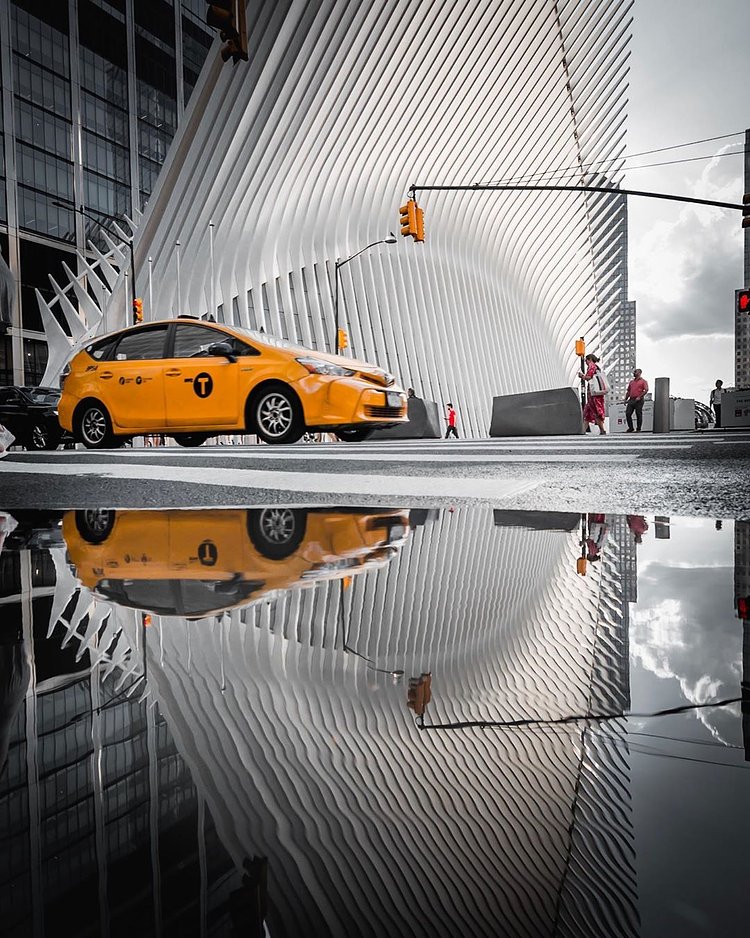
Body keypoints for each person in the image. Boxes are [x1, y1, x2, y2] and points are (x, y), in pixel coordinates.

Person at [579, 353, 607, 435]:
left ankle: (602, 430)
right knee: (587, 412)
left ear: (590, 359)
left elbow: (589, 377)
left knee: (596, 411)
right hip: (594, 393)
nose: (585, 362)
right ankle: (583, 431)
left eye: (586, 360)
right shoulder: (596, 367)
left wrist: (582, 376)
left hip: (594, 394)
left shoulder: (592, 366)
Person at [624, 368, 648, 432]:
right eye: (634, 372)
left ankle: (638, 428)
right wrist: (625, 399)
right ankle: (631, 428)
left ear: (639, 373)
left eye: (635, 372)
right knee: (628, 413)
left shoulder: (643, 381)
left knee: (638, 414)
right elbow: (628, 391)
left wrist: (639, 396)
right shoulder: (631, 382)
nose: (634, 373)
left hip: (639, 400)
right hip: (631, 400)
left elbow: (646, 390)